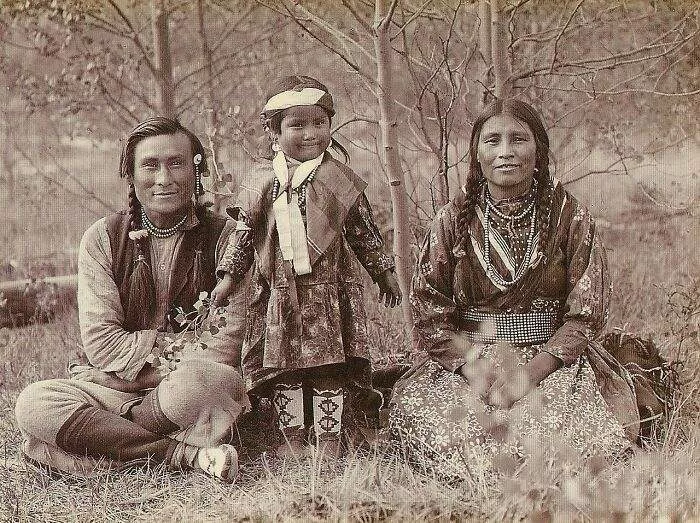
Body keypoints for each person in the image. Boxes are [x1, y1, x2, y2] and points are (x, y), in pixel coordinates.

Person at [388, 99, 640, 478]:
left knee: (557, 441)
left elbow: (585, 316)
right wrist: (480, 372)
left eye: (518, 139)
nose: (505, 152)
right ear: (476, 153)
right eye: (492, 141)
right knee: (447, 434)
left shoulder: (569, 217)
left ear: (538, 150)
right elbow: (429, 314)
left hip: (553, 362)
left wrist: (529, 376)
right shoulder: (453, 219)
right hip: (468, 363)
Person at [15, 117, 250, 481]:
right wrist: (147, 368)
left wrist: (126, 380)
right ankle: (185, 455)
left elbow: (223, 346)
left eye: (177, 163)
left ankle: (93, 445)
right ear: (131, 173)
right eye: (150, 165)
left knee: (211, 379)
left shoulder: (230, 240)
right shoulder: (102, 238)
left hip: (183, 393)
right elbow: (102, 344)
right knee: (34, 402)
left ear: (197, 168)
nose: (164, 178)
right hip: (115, 393)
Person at [211, 75, 401, 456]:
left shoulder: (338, 180)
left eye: (319, 123)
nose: (310, 133)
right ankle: (293, 440)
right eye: (297, 125)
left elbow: (363, 231)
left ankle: (329, 440)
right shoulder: (263, 180)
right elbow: (244, 233)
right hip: (279, 295)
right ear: (274, 132)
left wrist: (384, 272)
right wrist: (229, 278)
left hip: (329, 293)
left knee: (329, 365)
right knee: (286, 368)